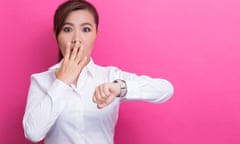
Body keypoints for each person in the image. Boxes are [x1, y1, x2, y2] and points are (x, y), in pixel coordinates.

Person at [22, 0, 174, 144]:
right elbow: (33, 133)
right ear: (56, 35)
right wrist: (61, 82)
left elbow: (165, 89)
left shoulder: (110, 76)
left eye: (86, 29)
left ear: (96, 34)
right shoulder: (41, 81)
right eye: (67, 29)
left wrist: (120, 88)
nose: (77, 39)